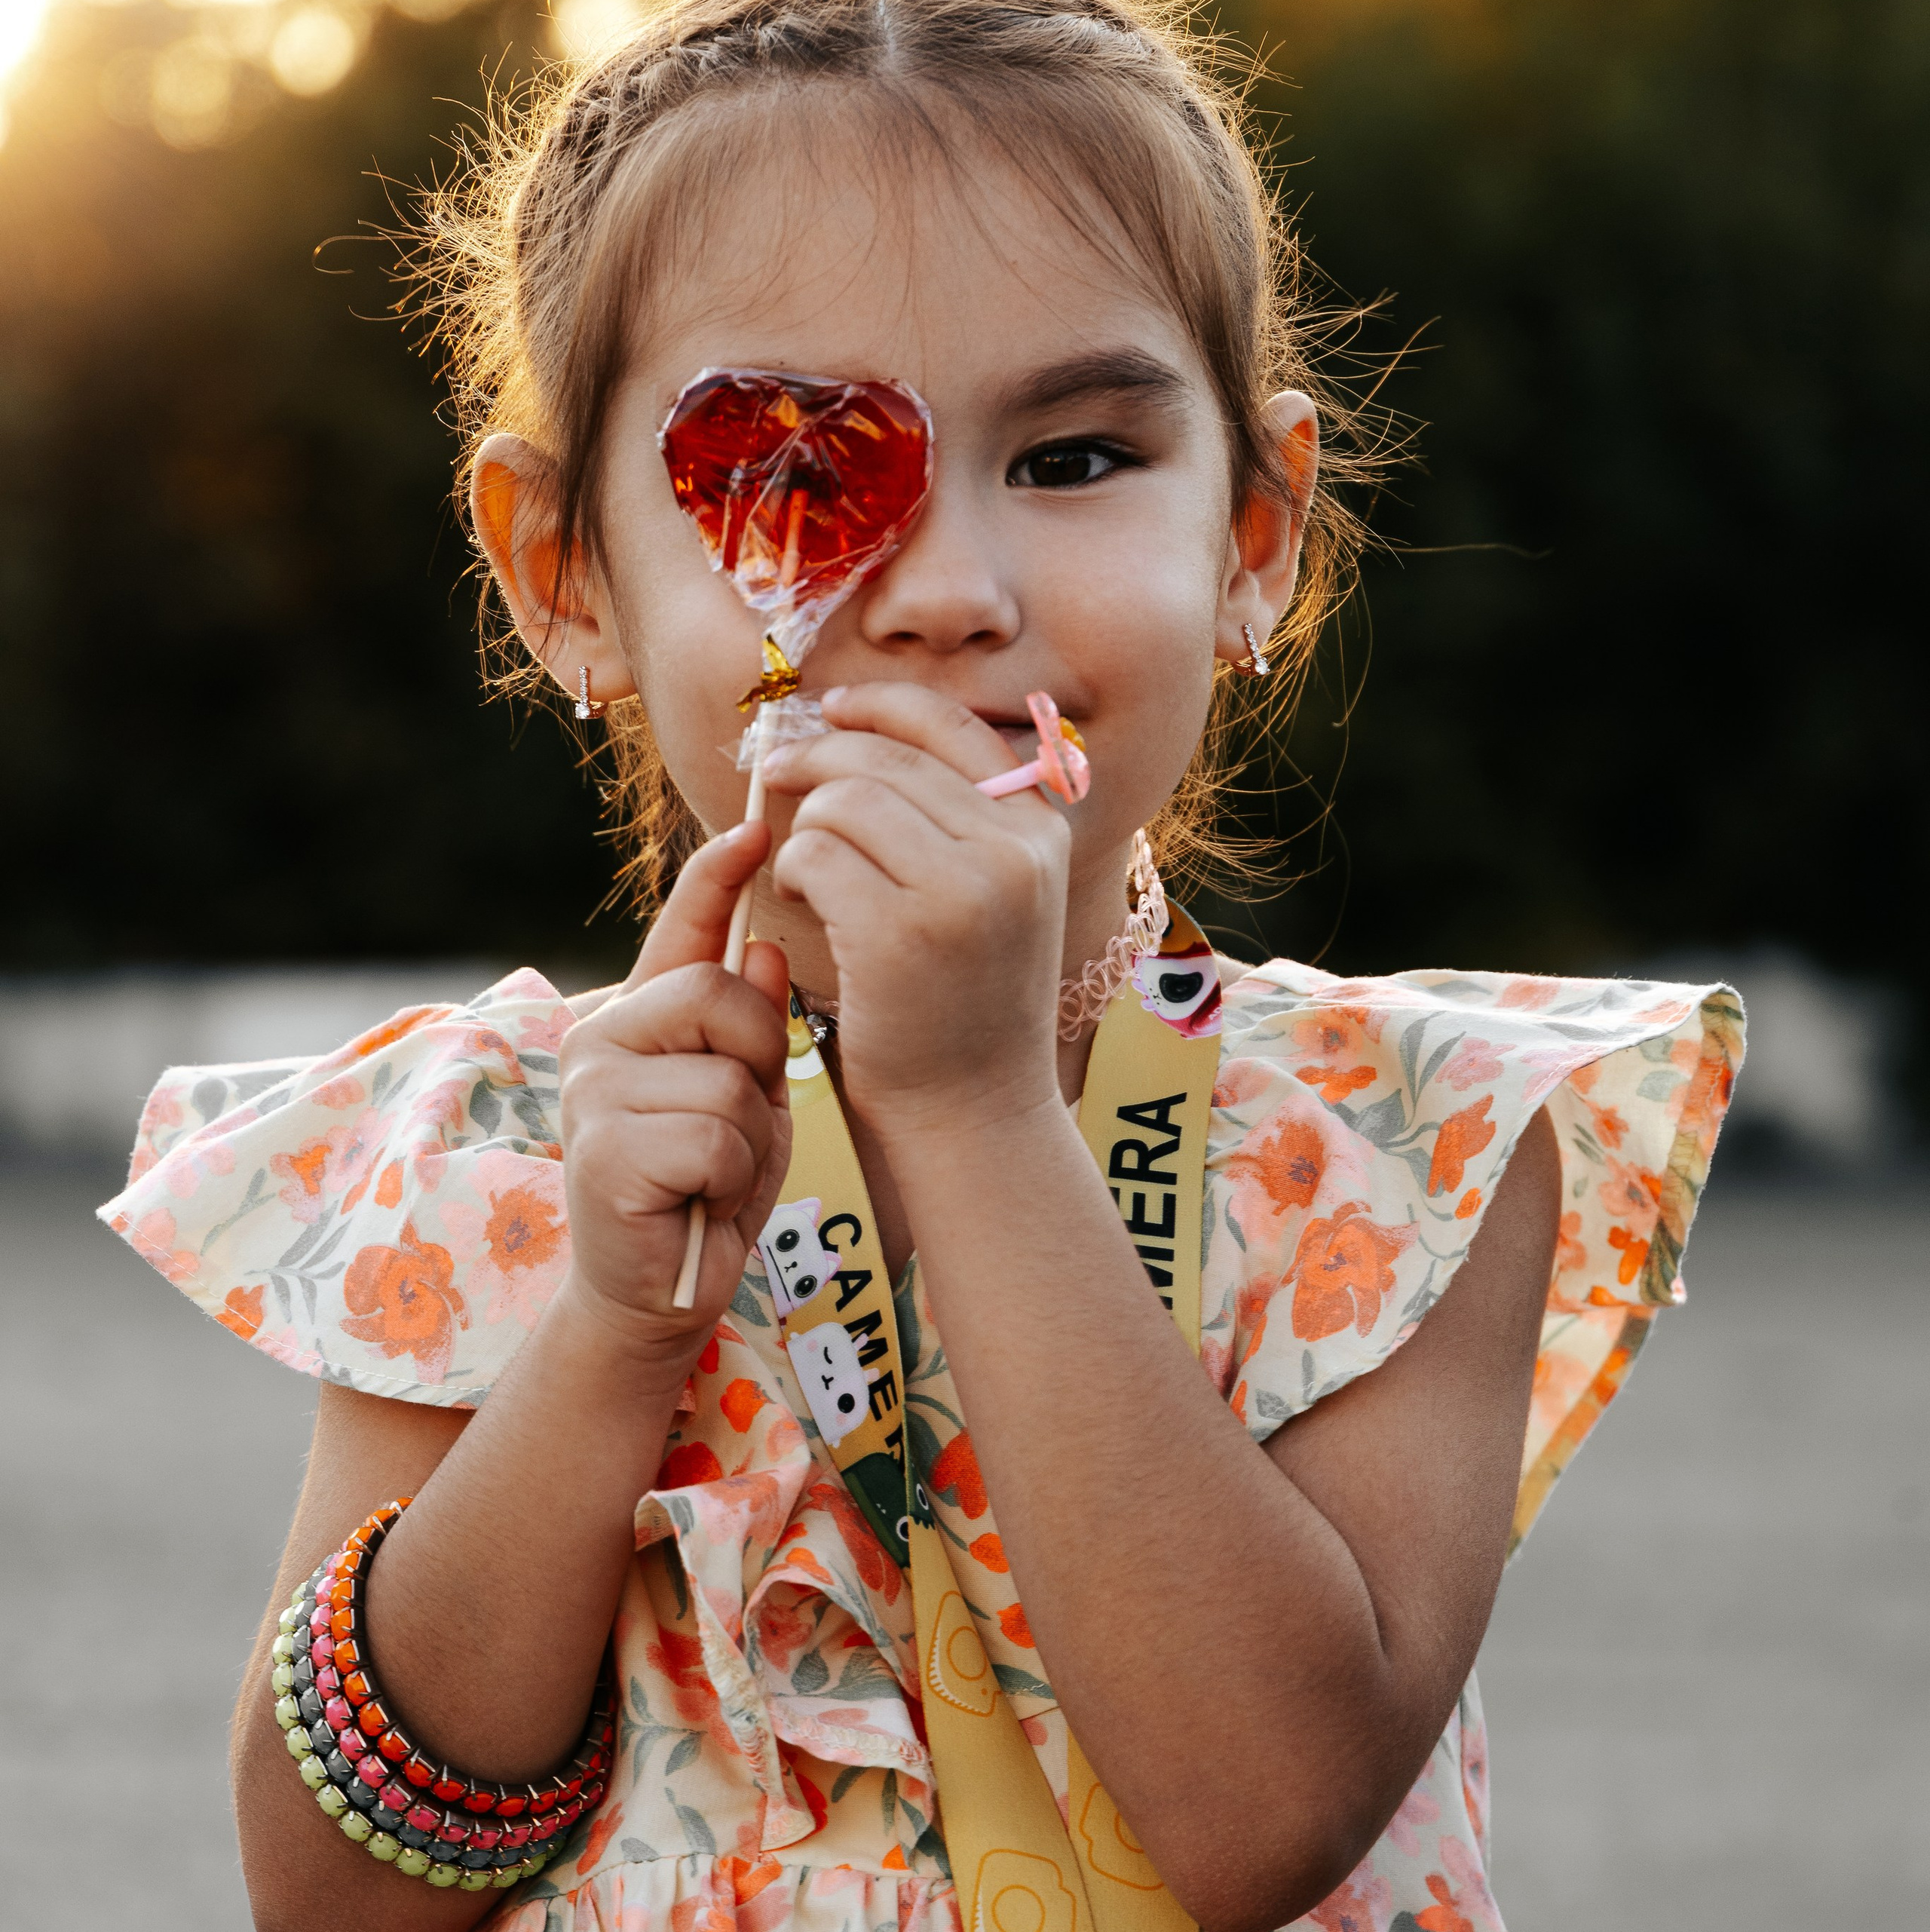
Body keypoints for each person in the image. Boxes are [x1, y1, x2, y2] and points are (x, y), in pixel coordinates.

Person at [100, 2, 1744, 1927]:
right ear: (562, 575)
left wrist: (968, 1105)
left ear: (1251, 535)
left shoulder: (1415, 1147)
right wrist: (607, 1335)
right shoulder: (494, 1159)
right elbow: (330, 1894)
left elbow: (1261, 1815)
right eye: (794, 474)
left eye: (1069, 457)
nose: (953, 587)